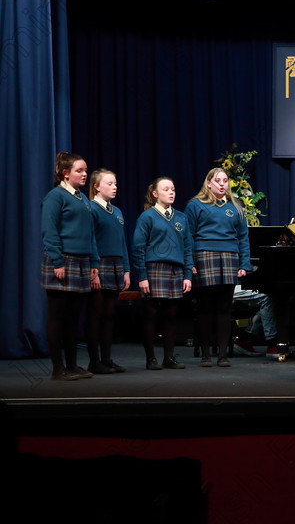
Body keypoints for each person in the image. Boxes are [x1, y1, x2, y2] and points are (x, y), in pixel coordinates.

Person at [40, 152, 100, 381]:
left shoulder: (83, 199)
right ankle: (58, 368)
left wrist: (94, 262)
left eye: (85, 170)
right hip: (63, 260)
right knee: (58, 316)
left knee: (74, 319)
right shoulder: (56, 197)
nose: (84, 174)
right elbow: (49, 230)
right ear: (65, 173)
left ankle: (73, 365)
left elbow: (91, 233)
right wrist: (57, 261)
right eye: (79, 171)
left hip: (82, 262)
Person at [186, 168, 252, 368]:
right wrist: (190, 263)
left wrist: (244, 263)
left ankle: (222, 355)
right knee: (205, 308)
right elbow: (187, 236)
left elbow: (243, 237)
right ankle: (206, 354)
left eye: (225, 180)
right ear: (209, 183)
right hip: (204, 255)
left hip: (229, 257)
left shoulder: (236, 206)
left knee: (225, 308)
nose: (222, 184)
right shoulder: (195, 205)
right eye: (218, 180)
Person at [131, 177, 193, 369]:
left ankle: (169, 357)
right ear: (156, 194)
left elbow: (188, 247)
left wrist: (188, 275)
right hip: (154, 269)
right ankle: (151, 358)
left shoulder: (181, 217)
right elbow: (138, 247)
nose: (171, 192)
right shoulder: (147, 217)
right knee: (151, 315)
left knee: (170, 316)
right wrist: (142, 276)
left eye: (173, 189)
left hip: (175, 269)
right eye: (166, 189)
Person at [87, 169, 131, 374]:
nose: (114, 187)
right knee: (96, 313)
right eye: (109, 184)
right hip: (99, 263)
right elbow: (90, 240)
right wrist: (92, 270)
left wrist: (126, 270)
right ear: (96, 186)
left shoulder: (118, 212)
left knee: (109, 314)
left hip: (116, 265)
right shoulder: (91, 209)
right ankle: (94, 361)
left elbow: (122, 243)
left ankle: (106, 358)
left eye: (115, 184)